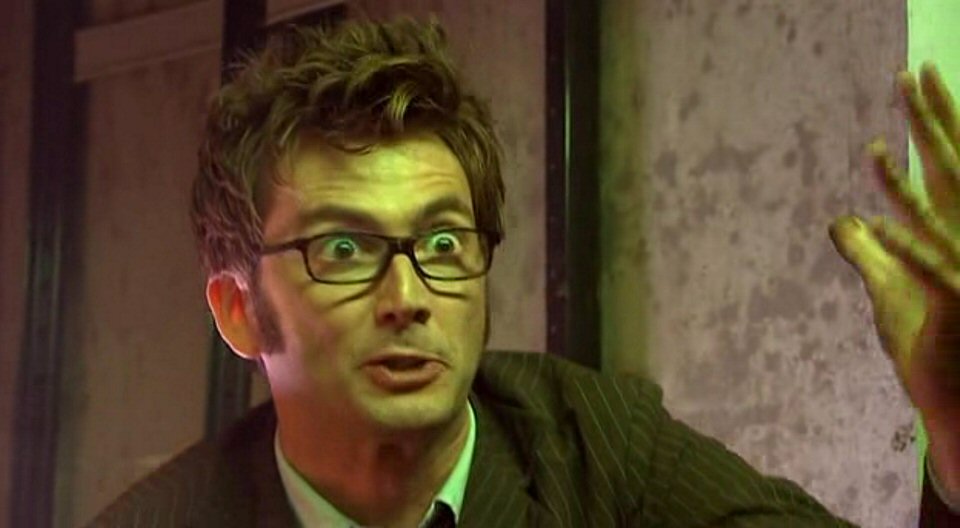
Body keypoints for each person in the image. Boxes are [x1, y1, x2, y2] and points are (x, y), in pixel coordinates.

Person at [87, 16, 960, 527]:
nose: (407, 299)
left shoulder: (597, 449)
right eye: (344, 251)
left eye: (442, 244)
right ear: (239, 312)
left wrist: (955, 432)